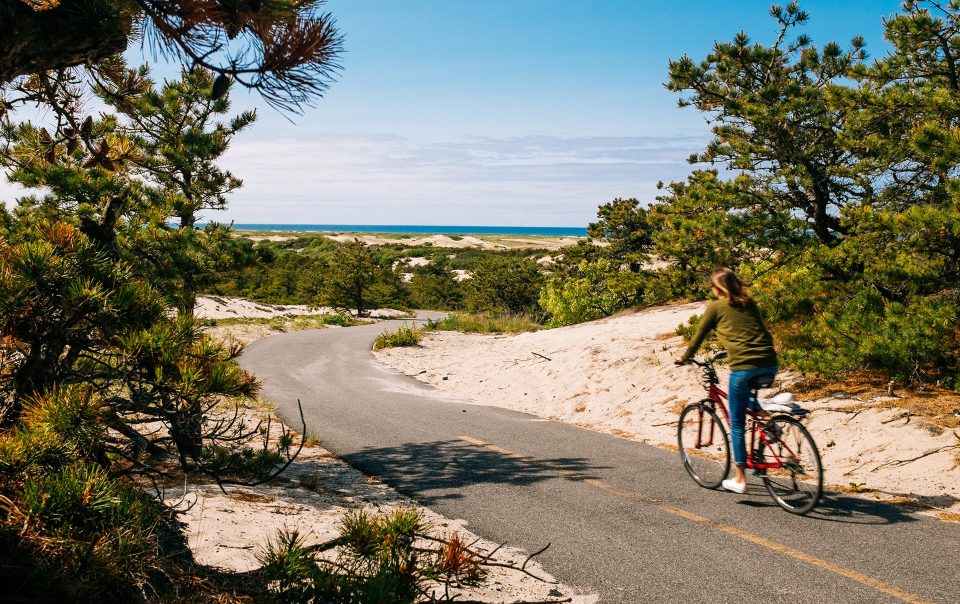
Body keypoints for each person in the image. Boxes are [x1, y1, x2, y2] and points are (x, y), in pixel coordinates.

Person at [676, 268, 777, 494]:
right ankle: (768, 423)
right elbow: (760, 332)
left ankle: (740, 478)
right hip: (770, 363)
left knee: (737, 423)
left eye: (713, 286)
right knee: (740, 399)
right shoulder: (749, 303)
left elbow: (699, 334)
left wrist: (685, 358)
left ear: (718, 288)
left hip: (743, 368)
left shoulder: (715, 307)